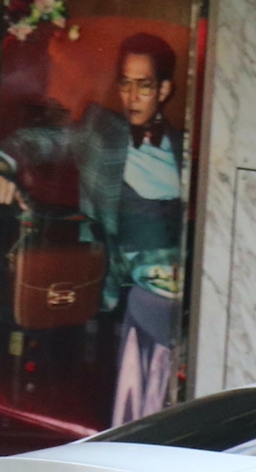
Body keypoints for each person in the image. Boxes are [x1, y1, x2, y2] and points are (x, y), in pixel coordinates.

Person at [83, 34, 187, 425]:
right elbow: (37, 141)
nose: (132, 97)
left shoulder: (184, 147)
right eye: (125, 83)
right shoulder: (102, 135)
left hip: (179, 295)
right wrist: (5, 167)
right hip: (128, 291)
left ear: (164, 89)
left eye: (143, 86)